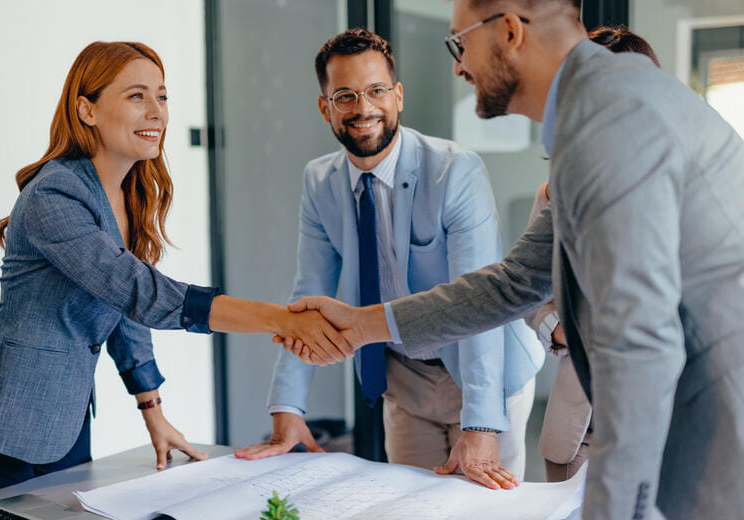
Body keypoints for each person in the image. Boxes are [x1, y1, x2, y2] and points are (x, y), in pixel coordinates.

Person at [284, 1, 744, 518]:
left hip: (713, 427)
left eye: (459, 43)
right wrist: (367, 323)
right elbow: (514, 282)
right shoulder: (599, 106)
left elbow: (639, 346)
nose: (458, 66)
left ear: (508, 30)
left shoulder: (609, 119)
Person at [0, 41, 352, 490]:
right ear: (87, 110)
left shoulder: (125, 193)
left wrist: (151, 411)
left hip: (64, 409)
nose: (157, 111)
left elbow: (122, 310)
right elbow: (138, 292)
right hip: (6, 407)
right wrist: (280, 319)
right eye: (137, 96)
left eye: (162, 96)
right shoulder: (54, 195)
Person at [235, 29, 542, 491]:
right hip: (404, 379)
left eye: (377, 90)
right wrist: (287, 409)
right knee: (408, 506)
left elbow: (484, 305)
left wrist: (481, 426)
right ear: (326, 107)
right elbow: (307, 297)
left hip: (485, 378)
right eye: (345, 95)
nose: (364, 108)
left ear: (398, 96)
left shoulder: (455, 171)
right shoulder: (320, 182)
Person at [526, 25, 662, 483]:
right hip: (574, 429)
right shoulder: (553, 194)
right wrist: (562, 333)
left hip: (658, 428)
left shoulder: (681, 188)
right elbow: (526, 290)